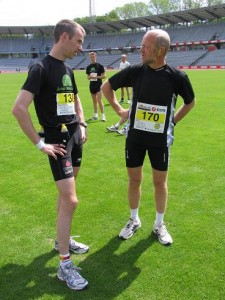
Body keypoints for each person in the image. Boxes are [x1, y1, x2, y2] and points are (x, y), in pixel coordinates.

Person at [12, 19, 89, 290]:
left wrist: (81, 122)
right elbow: (19, 108)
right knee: (71, 200)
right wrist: (39, 144)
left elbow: (76, 98)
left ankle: (62, 242)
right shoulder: (40, 68)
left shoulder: (67, 68)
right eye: (78, 41)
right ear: (64, 37)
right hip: (56, 142)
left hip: (74, 139)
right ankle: (64, 265)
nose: (81, 47)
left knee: (65, 196)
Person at [102, 29, 195, 246]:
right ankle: (134, 220)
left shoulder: (177, 76)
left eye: (145, 46)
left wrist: (173, 121)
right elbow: (107, 87)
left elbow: (190, 102)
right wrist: (119, 111)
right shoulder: (136, 71)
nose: (140, 50)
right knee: (135, 180)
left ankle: (159, 224)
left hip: (160, 141)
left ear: (160, 50)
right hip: (134, 138)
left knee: (159, 182)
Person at [86, 51, 106, 121]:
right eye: (91, 57)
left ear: (95, 57)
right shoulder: (88, 67)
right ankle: (95, 115)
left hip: (99, 86)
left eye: (93, 57)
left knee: (99, 100)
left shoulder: (100, 66)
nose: (92, 58)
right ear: (90, 58)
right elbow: (87, 77)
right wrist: (90, 77)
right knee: (94, 101)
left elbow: (104, 76)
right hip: (92, 86)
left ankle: (103, 116)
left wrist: (96, 77)